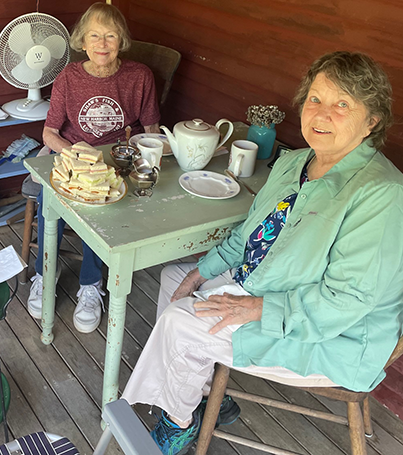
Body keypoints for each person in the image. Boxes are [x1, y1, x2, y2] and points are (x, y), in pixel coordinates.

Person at [121, 51, 403, 455]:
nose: (322, 114)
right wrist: (202, 272)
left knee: (180, 324)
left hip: (337, 334)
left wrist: (257, 308)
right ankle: (198, 396)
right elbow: (249, 234)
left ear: (371, 121)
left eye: (343, 105)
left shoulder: (381, 194)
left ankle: (179, 421)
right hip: (271, 281)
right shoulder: (294, 163)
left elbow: (347, 301)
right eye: (315, 99)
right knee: (174, 279)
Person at [27, 2, 161, 333]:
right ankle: (45, 273)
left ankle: (90, 284)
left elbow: (152, 130)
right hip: (71, 153)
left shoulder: (139, 76)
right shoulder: (68, 77)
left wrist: (137, 158)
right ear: (82, 41)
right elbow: (49, 133)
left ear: (122, 41)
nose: (102, 44)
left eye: (111, 35)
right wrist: (73, 153)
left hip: (116, 158)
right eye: (94, 36)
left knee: (100, 207)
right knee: (49, 202)